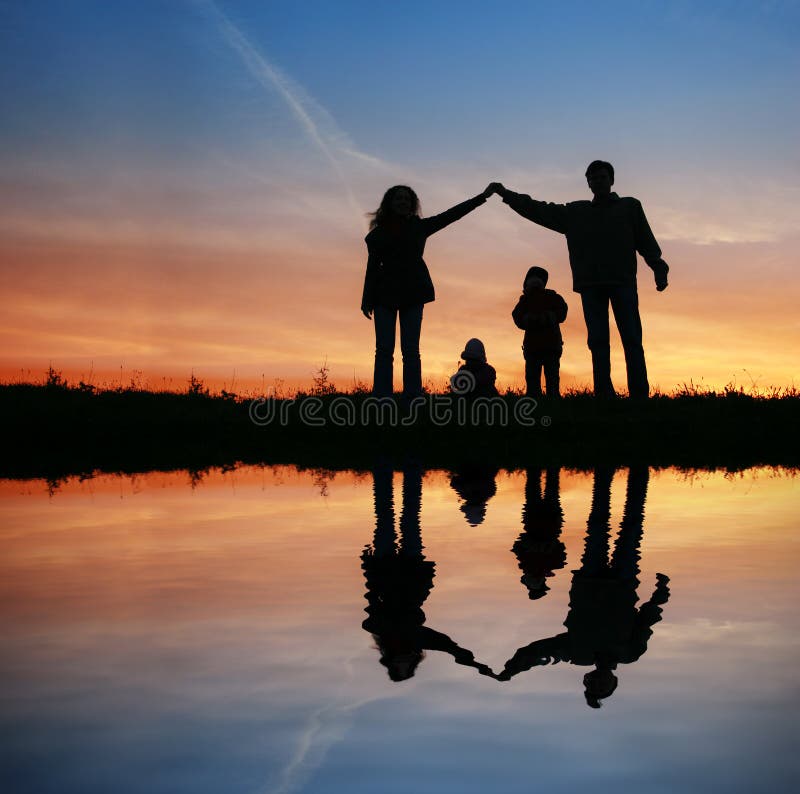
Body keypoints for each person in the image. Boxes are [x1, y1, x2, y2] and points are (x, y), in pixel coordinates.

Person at [489, 161, 669, 399]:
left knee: (632, 338)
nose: (597, 181)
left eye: (602, 177)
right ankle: (604, 394)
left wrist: (658, 266)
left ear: (611, 180)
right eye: (593, 178)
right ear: (588, 183)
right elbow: (538, 209)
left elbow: (645, 240)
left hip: (622, 282)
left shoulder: (629, 207)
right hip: (591, 285)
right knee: (598, 342)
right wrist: (506, 194)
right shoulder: (576, 212)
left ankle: (639, 394)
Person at [361, 185, 492, 398]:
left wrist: (482, 197)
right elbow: (372, 268)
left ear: (412, 205)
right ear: (390, 203)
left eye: (407, 199)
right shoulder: (377, 235)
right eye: (398, 198)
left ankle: (412, 397)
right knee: (384, 351)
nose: (403, 202)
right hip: (384, 295)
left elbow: (452, 215)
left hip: (413, 294)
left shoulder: (419, 227)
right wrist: (366, 300)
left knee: (411, 351)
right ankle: (382, 398)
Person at [512, 266, 568, 398]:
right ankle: (549, 402)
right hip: (541, 348)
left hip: (543, 348)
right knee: (547, 380)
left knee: (541, 381)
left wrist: (546, 317)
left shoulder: (546, 297)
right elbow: (517, 317)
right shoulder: (549, 297)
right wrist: (532, 320)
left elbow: (562, 312)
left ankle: (543, 402)